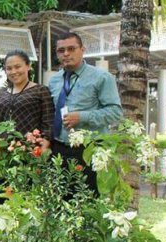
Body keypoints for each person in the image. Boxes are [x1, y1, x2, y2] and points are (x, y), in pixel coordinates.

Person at [49, 32, 122, 193]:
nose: (66, 54)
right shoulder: (54, 80)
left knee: (87, 201)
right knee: (58, 202)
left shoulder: (102, 77)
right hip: (58, 150)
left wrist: (82, 117)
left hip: (88, 151)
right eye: (61, 50)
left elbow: (115, 112)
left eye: (71, 49)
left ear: (82, 50)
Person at [0, 50, 54, 142]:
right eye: (9, 68)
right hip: (3, 150)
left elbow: (49, 122)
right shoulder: (2, 92)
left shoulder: (40, 90)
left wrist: (46, 141)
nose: (13, 71)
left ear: (28, 66)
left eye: (17, 67)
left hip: (30, 149)